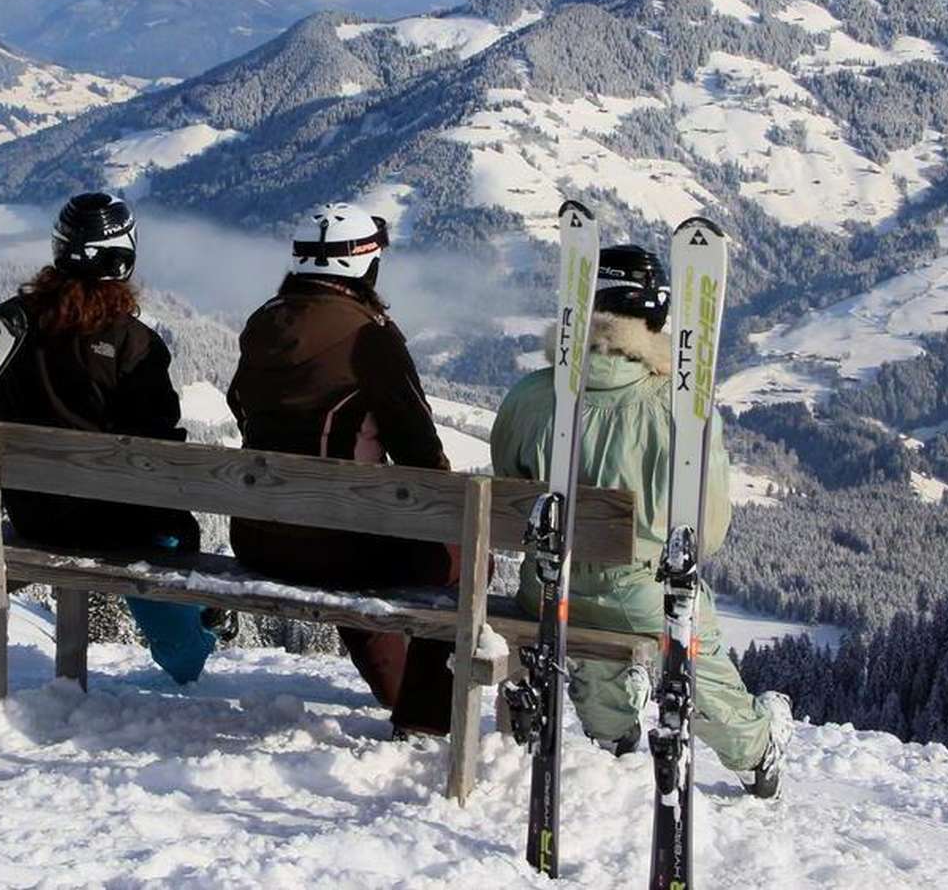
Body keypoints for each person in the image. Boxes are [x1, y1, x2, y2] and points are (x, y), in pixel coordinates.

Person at [490, 243, 794, 796]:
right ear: (655, 316)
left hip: (545, 593)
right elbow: (708, 528)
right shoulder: (677, 407)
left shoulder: (533, 396)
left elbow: (510, 489)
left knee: (585, 602)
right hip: (643, 602)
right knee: (689, 634)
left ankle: (612, 732)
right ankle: (754, 752)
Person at [226, 202, 459, 737]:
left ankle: (398, 689)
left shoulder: (262, 324)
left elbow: (241, 408)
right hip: (339, 545)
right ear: (365, 267)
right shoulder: (370, 338)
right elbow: (420, 452)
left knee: (356, 544)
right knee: (457, 557)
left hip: (257, 535)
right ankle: (423, 718)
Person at [0, 192, 218, 685]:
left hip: (32, 513)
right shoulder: (134, 345)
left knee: (142, 523)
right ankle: (188, 652)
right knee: (160, 533)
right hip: (113, 521)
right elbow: (158, 450)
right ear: (123, 258)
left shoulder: (7, 323)